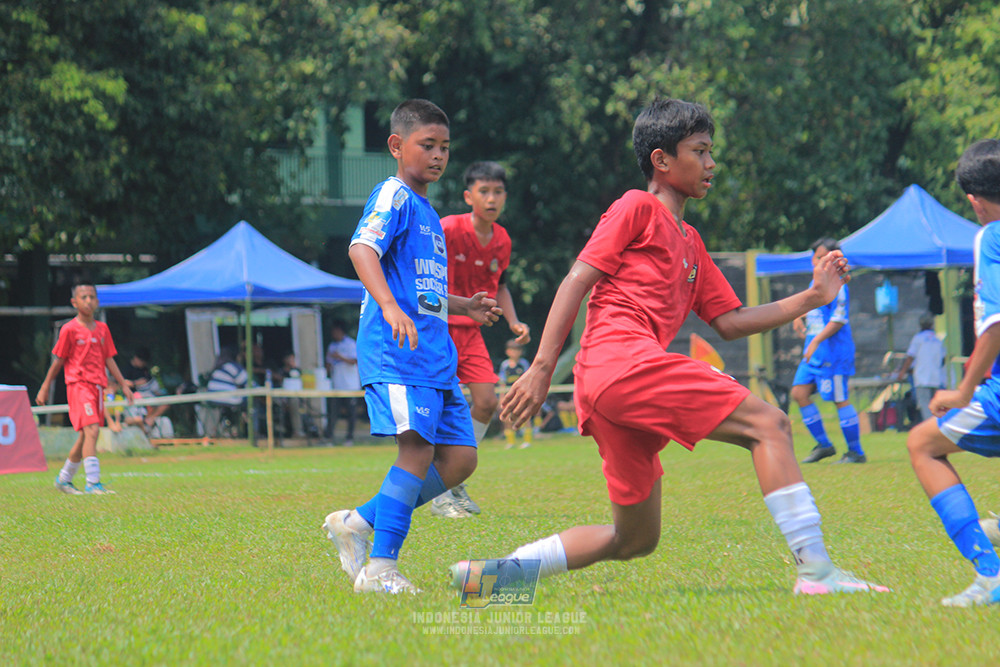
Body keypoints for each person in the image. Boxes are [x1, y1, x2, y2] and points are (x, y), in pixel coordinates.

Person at [450, 97, 888, 596]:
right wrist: (542, 368)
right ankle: (818, 574)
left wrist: (812, 296)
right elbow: (576, 280)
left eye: (710, 151)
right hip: (622, 362)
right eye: (700, 151)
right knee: (770, 424)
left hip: (611, 385)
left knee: (635, 538)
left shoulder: (691, 242)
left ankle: (489, 577)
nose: (711, 163)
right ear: (661, 160)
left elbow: (732, 320)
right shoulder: (637, 206)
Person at [321, 99, 501, 594]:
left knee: (462, 459)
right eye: (428, 145)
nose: (438, 155)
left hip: (435, 357)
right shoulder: (393, 196)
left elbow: (420, 294)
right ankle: (381, 571)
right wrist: (388, 306)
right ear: (397, 147)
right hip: (398, 353)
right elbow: (362, 249)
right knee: (417, 453)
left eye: (445, 147)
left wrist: (463, 305)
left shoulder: (429, 214)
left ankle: (356, 522)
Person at [906, 138, 1000, 607]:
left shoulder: (992, 236)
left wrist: (964, 390)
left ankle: (990, 576)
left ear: (974, 201)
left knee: (922, 444)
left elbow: (996, 324)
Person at [430, 161, 532, 516]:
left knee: (488, 402)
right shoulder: (446, 229)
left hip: (470, 333)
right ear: (468, 196)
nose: (492, 199)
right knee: (443, 407)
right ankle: (439, 490)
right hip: (437, 328)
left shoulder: (502, 238)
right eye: (484, 191)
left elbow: (500, 285)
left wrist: (514, 322)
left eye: (498, 191)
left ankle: (455, 476)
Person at [36, 283, 134, 495]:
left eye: (92, 297)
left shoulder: (102, 329)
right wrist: (45, 387)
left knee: (85, 437)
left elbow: (109, 359)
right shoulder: (69, 329)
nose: (88, 301)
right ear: (74, 302)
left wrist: (124, 385)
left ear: (97, 302)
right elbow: (58, 361)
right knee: (92, 431)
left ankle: (64, 479)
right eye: (84, 297)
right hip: (78, 386)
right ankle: (93, 483)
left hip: (97, 388)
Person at [791, 238, 867, 464]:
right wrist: (798, 316)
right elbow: (811, 306)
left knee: (839, 398)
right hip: (814, 354)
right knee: (799, 393)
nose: (817, 261)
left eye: (822, 257)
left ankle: (856, 452)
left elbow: (838, 320)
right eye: (816, 257)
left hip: (832, 353)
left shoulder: (839, 285)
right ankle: (824, 445)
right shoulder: (815, 282)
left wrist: (815, 342)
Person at [896, 312, 947, 421]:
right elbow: (943, 358)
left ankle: (930, 426)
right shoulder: (937, 339)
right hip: (936, 377)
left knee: (924, 404)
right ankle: (938, 424)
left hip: (922, 377)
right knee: (936, 405)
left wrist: (902, 372)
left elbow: (910, 357)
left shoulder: (918, 338)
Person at [324, 320, 361, 445]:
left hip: (350, 385)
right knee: (333, 412)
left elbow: (354, 361)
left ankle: (349, 438)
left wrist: (340, 357)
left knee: (351, 413)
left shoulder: (350, 344)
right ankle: (329, 438)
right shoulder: (332, 346)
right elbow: (328, 364)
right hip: (336, 384)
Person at [120, 347, 169, 430]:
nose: (143, 364)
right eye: (142, 361)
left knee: (165, 403)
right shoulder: (126, 369)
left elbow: (148, 381)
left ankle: (150, 419)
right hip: (134, 398)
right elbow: (123, 383)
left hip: (147, 395)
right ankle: (144, 426)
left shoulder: (144, 370)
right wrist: (135, 383)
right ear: (136, 358)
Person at [498, 339, 534, 449]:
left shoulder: (523, 364)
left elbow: (529, 379)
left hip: (521, 395)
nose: (515, 352)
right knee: (508, 418)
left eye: (518, 350)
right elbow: (502, 383)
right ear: (508, 351)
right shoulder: (505, 365)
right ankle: (511, 442)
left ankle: (527, 441)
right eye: (513, 350)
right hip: (510, 396)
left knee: (525, 417)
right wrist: (501, 397)